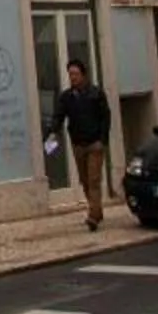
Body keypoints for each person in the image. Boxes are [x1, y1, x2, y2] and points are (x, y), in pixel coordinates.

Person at [44, 60, 113, 233]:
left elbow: (106, 116)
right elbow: (58, 117)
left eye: (75, 74)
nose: (72, 77)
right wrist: (53, 133)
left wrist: (103, 140)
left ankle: (92, 216)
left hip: (95, 143)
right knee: (85, 180)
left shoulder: (96, 93)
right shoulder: (67, 97)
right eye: (70, 74)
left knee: (94, 179)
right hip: (78, 144)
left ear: (83, 74)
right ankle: (96, 210)